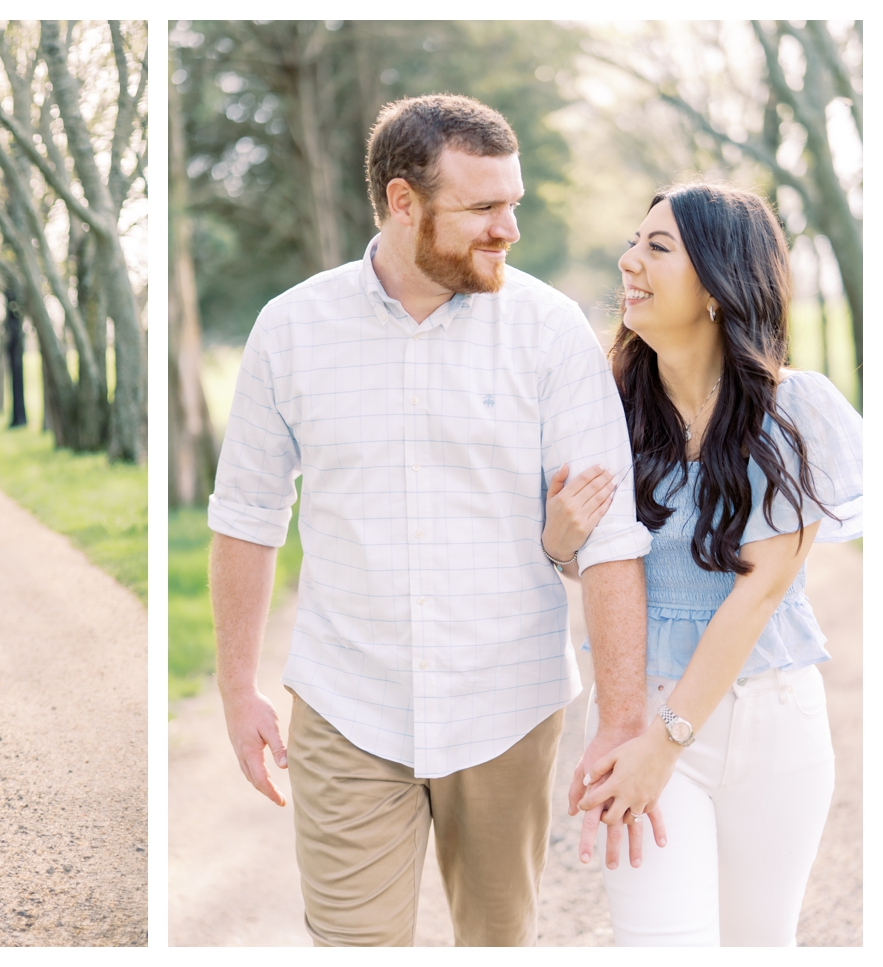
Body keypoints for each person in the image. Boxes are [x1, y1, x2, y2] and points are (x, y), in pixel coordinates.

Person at [208, 94, 654, 947]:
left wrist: (622, 715)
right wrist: (236, 689)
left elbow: (610, 536)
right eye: (483, 208)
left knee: (498, 941)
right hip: (347, 704)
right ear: (403, 202)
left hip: (507, 706)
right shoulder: (292, 329)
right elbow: (248, 514)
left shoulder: (551, 330)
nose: (508, 229)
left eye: (512, 202)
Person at [542, 184, 862, 945]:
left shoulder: (794, 411)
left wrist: (667, 741)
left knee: (761, 944)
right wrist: (561, 540)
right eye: (633, 240)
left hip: (768, 718)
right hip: (639, 707)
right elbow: (607, 574)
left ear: (720, 283)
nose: (629, 261)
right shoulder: (607, 412)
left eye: (658, 247)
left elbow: (757, 595)